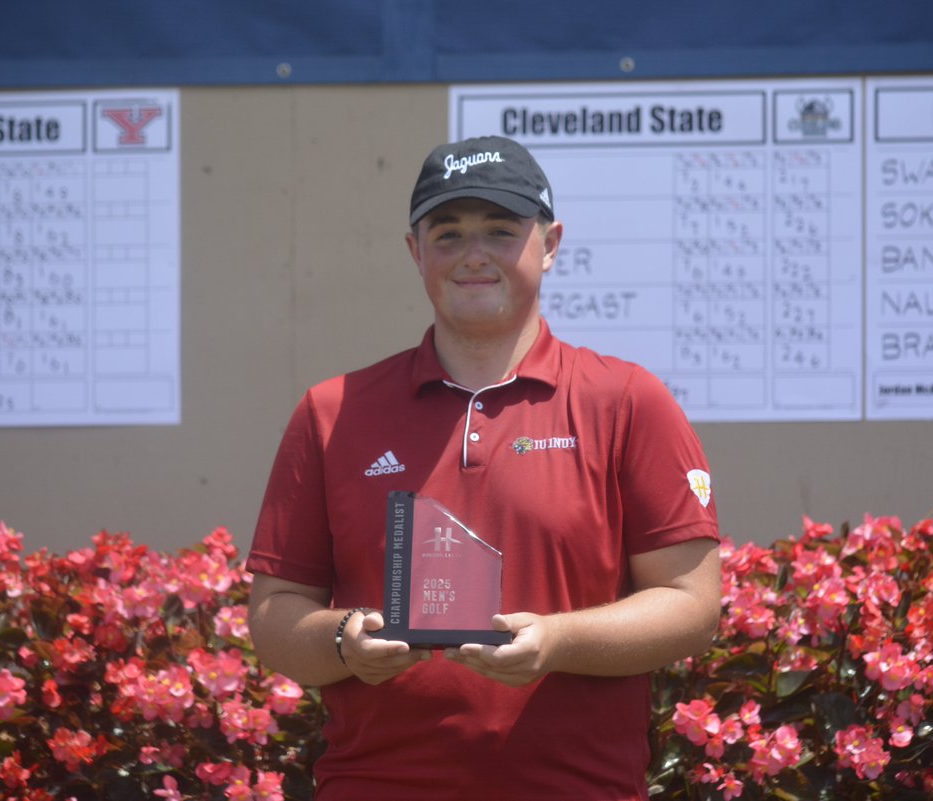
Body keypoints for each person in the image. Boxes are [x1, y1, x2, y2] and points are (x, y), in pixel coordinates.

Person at [246, 135, 721, 800]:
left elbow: (693, 606)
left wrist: (557, 640)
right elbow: (274, 615)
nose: (473, 254)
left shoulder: (627, 401)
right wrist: (345, 642)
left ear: (550, 244)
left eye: (501, 229)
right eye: (448, 233)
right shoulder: (332, 412)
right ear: (415, 252)